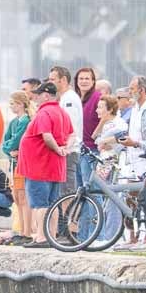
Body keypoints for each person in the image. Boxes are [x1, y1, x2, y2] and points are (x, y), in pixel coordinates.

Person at [17, 81, 73, 248]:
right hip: (55, 166)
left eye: (38, 94)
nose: (35, 97)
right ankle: (52, 236)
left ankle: (41, 237)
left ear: (46, 95)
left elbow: (47, 136)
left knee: (40, 204)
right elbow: (72, 134)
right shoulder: (62, 112)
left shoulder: (44, 113)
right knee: (53, 203)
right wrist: (64, 149)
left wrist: (57, 148)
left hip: (39, 166)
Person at [48, 65, 83, 195]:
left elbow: (70, 128)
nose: (50, 83)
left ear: (62, 80)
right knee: (62, 191)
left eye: (52, 79)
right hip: (65, 150)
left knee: (66, 192)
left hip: (68, 151)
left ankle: (69, 216)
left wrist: (64, 148)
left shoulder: (69, 99)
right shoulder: (64, 97)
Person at [2, 90, 31, 236]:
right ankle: (22, 230)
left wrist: (9, 147)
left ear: (20, 104)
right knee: (17, 198)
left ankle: (26, 231)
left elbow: (15, 140)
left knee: (22, 197)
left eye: (13, 104)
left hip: (22, 163)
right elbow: (6, 142)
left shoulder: (26, 121)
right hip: (14, 162)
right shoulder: (14, 122)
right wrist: (9, 150)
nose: (11, 107)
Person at [73, 66, 102, 187]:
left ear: (93, 81)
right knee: (81, 190)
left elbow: (107, 118)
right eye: (81, 78)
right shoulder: (76, 99)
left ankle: (97, 207)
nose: (84, 81)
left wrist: (96, 135)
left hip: (91, 150)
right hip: (77, 149)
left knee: (91, 189)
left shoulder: (97, 98)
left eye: (87, 79)